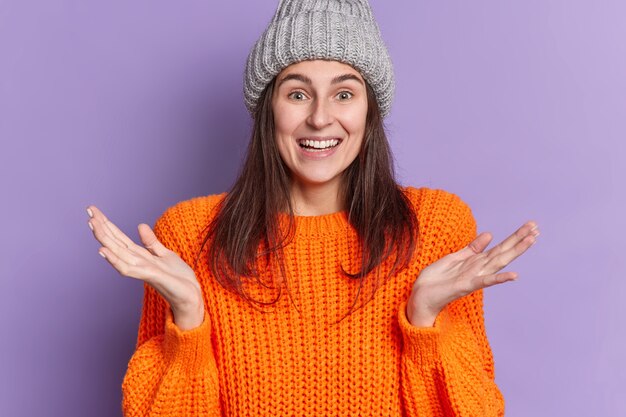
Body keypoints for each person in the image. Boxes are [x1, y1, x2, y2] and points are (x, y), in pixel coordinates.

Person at [86, 1, 539, 416]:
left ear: (369, 110)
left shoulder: (435, 226)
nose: (320, 117)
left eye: (344, 94)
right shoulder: (189, 233)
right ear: (269, 108)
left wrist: (423, 322)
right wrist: (188, 322)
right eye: (297, 93)